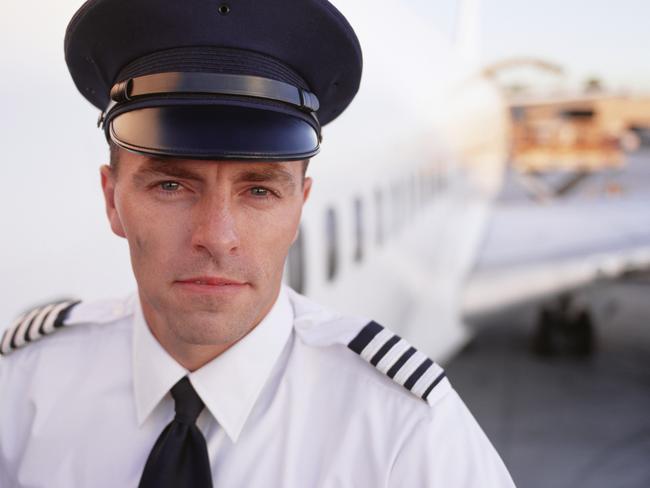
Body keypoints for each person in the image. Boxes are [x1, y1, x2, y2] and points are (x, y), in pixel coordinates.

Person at [0, 0, 516, 486]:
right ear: (112, 201)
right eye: (172, 185)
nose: (217, 238)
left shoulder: (406, 436)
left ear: (300, 206)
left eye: (259, 190)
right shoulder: (24, 389)